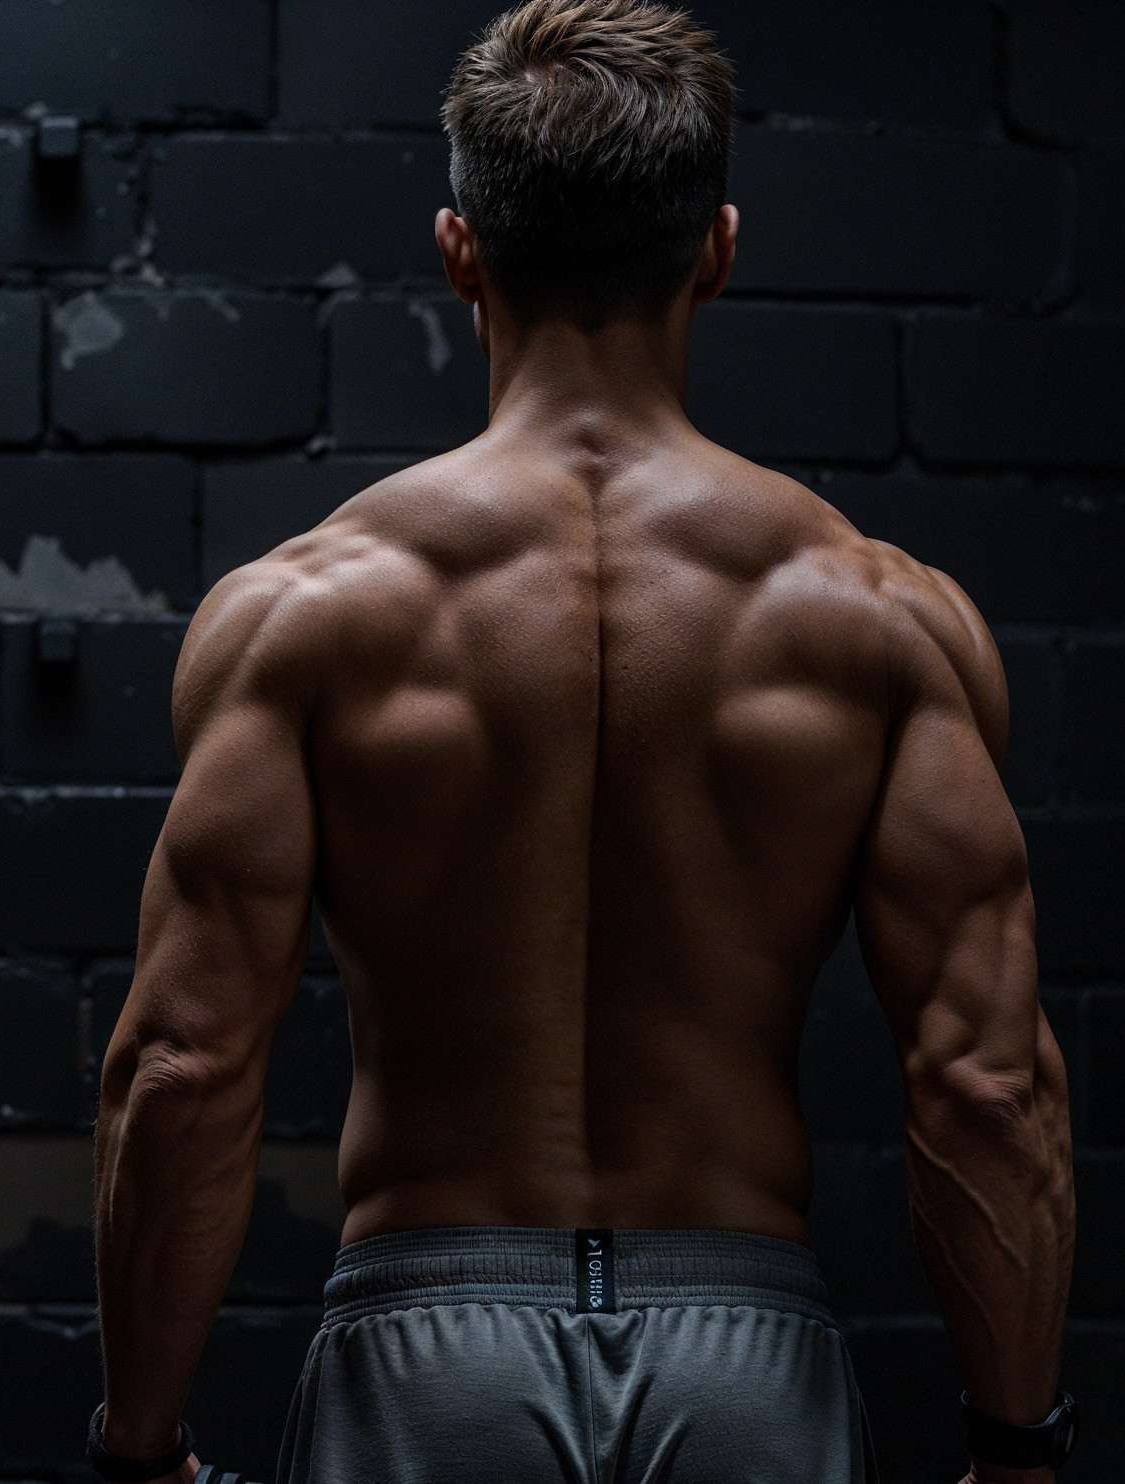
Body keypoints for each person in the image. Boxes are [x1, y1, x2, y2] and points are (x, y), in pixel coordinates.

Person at [89, 3, 1075, 1482]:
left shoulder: (307, 618)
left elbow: (182, 1066)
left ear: (459, 250)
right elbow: (988, 1085)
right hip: (743, 1357)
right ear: (718, 250)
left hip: (432, 1353)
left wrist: (140, 1446)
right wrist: (1017, 1450)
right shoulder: (879, 623)